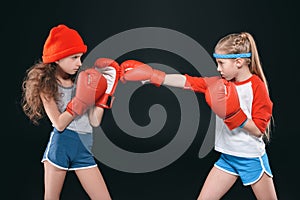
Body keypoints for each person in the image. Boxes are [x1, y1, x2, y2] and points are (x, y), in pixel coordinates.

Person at [119, 32, 278, 199]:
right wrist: (154, 76)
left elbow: (259, 130)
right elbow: (189, 82)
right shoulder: (220, 84)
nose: (218, 69)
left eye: (221, 63)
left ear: (238, 62)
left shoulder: (256, 86)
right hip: (228, 157)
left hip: (250, 159)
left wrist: (234, 113)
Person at [21, 24, 120, 200]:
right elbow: (58, 123)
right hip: (61, 146)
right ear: (57, 59)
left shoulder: (82, 83)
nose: (79, 63)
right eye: (74, 57)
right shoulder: (47, 86)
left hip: (83, 147)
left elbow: (94, 121)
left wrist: (105, 95)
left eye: (80, 57)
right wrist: (80, 102)